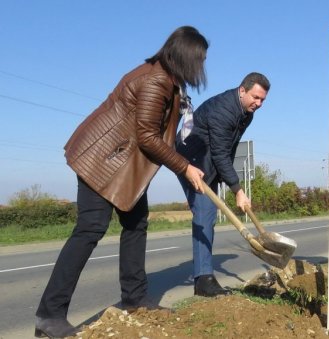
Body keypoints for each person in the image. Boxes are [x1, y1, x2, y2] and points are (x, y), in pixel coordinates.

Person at [34, 26, 209, 338]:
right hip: (101, 161)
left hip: (122, 164)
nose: (202, 66)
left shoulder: (165, 79)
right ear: (186, 56)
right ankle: (50, 314)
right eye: (200, 59)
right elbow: (146, 136)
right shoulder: (156, 80)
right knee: (90, 229)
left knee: (136, 223)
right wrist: (185, 168)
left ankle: (135, 298)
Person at [176, 72, 270, 297]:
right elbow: (219, 153)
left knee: (207, 215)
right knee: (205, 213)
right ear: (242, 90)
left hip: (208, 160)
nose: (258, 104)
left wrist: (227, 181)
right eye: (255, 97)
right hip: (190, 159)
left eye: (263, 100)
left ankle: (203, 275)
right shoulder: (223, 110)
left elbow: (230, 149)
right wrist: (237, 189)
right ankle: (203, 280)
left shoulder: (246, 114)